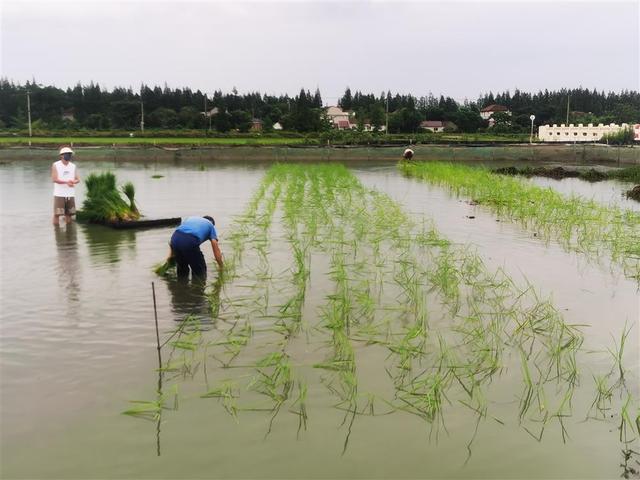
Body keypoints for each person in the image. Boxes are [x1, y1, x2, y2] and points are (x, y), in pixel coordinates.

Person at [52, 146, 80, 225]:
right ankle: (56, 231)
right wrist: (66, 182)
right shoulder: (56, 165)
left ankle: (69, 232)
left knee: (69, 214)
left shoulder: (73, 166)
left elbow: (78, 179)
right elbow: (54, 179)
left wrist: (73, 182)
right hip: (59, 194)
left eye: (70, 154)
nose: (69, 156)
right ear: (61, 155)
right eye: (67, 154)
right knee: (57, 214)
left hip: (70, 193)